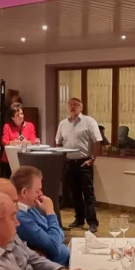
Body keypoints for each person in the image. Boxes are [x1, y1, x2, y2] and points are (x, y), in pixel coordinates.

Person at [55, 97, 103, 232]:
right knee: (74, 193)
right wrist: (61, 160)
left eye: (75, 105)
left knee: (88, 193)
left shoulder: (89, 122)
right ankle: (79, 219)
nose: (72, 107)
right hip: (69, 163)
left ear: (81, 107)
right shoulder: (63, 124)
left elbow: (97, 141)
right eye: (70, 105)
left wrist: (92, 159)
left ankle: (92, 222)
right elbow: (58, 142)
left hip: (84, 162)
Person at [12, 166, 70, 265]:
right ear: (24, 192)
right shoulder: (21, 218)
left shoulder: (31, 208)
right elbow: (54, 247)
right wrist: (50, 212)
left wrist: (54, 239)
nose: (41, 194)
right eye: (37, 191)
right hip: (55, 268)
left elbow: (59, 232)